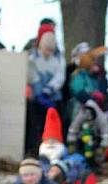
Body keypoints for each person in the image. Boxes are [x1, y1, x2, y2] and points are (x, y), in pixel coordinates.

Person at [25, 25, 65, 156]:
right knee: (36, 125)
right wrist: (39, 92)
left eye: (50, 50)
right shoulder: (32, 57)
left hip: (52, 97)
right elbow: (31, 74)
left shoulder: (58, 58)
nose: (48, 52)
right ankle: (35, 150)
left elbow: (60, 76)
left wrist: (49, 89)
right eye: (46, 49)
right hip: (37, 97)